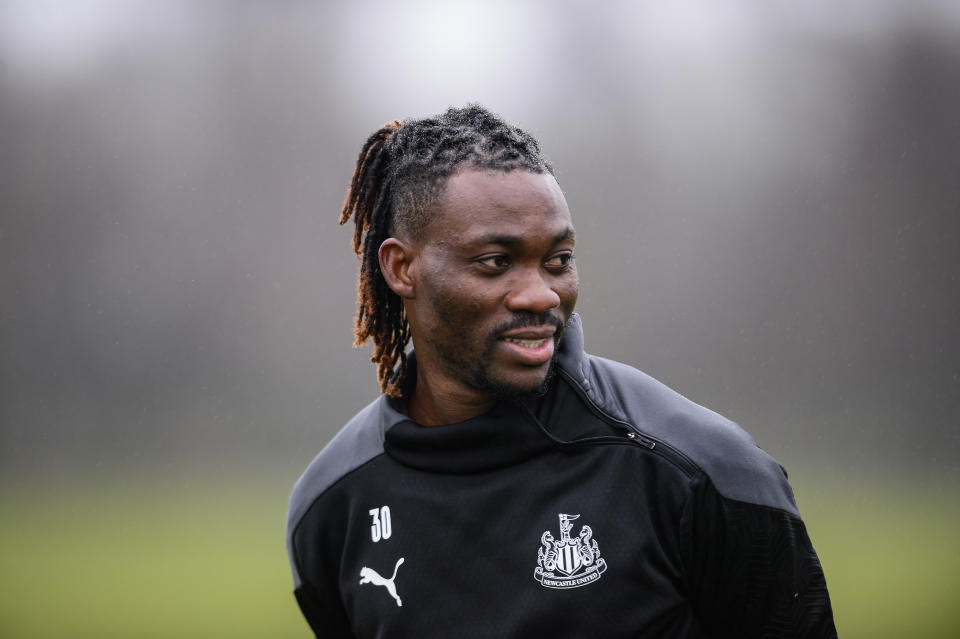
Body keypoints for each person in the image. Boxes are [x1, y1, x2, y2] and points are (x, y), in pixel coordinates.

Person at [286, 105, 837, 638]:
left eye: (558, 260)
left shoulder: (704, 473)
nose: (541, 294)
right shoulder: (331, 505)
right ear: (401, 268)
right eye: (496, 262)